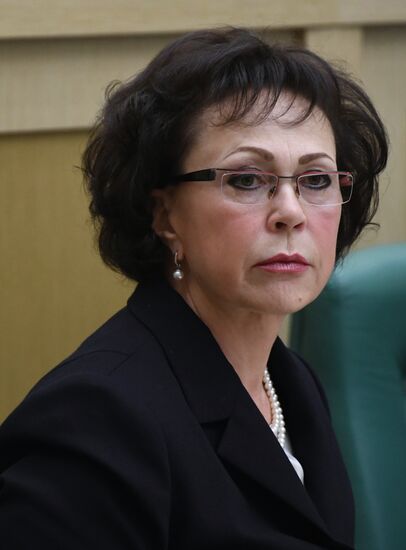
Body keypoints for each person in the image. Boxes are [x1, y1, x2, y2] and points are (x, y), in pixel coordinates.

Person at [0, 27, 387, 549]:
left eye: (316, 179)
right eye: (247, 179)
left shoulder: (292, 381)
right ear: (164, 215)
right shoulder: (95, 419)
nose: (291, 212)